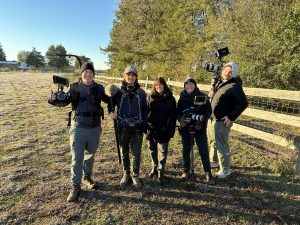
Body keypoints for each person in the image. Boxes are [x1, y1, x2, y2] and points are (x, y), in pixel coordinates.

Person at [48, 62, 111, 202]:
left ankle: (87, 178)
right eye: (86, 72)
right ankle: (75, 186)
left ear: (93, 74)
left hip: (95, 127)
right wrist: (54, 99)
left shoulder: (99, 88)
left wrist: (116, 93)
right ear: (82, 73)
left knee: (90, 155)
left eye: (91, 72)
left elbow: (110, 100)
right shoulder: (74, 88)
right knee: (77, 158)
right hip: (78, 128)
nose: (88, 74)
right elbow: (64, 102)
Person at [108, 66, 147, 190]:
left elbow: (145, 110)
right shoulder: (118, 92)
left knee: (136, 154)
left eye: (133, 75)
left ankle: (135, 175)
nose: (130, 77)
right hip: (122, 127)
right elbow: (110, 104)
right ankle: (126, 173)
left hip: (137, 129)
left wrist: (143, 124)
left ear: (136, 77)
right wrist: (111, 112)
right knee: (124, 153)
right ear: (125, 76)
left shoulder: (141, 93)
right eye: (128, 75)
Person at [211, 62, 248, 179]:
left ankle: (225, 170)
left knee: (222, 144)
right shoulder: (220, 83)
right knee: (213, 141)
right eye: (225, 70)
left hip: (222, 120)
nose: (227, 73)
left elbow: (243, 103)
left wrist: (230, 117)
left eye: (230, 71)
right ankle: (214, 162)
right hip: (213, 118)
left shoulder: (234, 86)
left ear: (234, 73)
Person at [177, 75, 214, 183]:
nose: (189, 86)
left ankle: (208, 172)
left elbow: (208, 110)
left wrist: (202, 120)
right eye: (187, 84)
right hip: (186, 127)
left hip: (199, 127)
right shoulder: (182, 97)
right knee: (186, 149)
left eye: (191, 83)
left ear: (195, 85)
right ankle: (185, 170)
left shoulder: (202, 96)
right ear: (184, 86)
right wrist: (182, 119)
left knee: (203, 149)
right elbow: (177, 112)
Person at [146, 77, 177, 185]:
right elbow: (146, 112)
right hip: (152, 129)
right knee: (152, 150)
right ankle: (154, 167)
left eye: (161, 85)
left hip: (164, 129)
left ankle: (161, 172)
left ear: (164, 85)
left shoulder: (170, 99)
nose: (159, 87)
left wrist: (170, 131)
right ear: (154, 86)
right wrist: (147, 126)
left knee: (162, 152)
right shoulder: (150, 97)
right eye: (157, 85)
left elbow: (173, 116)